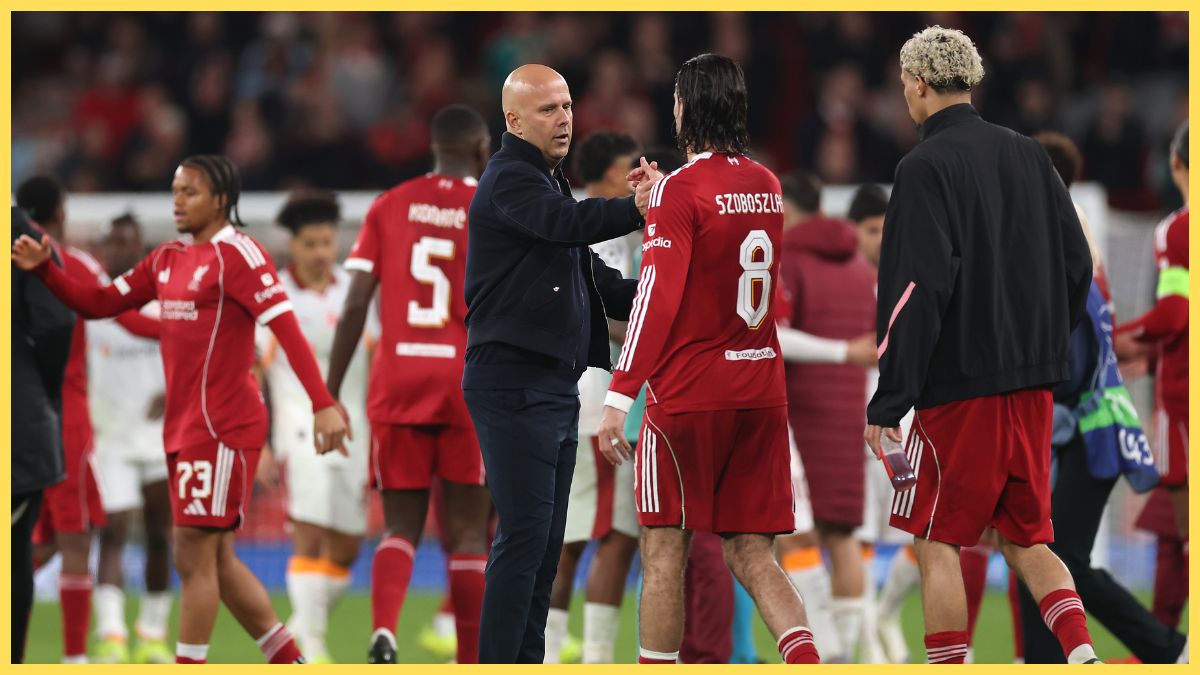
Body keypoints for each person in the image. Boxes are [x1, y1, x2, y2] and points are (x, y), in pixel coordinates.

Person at [12, 154, 349, 665]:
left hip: (223, 424)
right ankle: (292, 661)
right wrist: (46, 273)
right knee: (219, 558)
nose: (177, 201)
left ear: (220, 198)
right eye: (175, 191)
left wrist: (323, 404)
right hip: (185, 428)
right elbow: (100, 301)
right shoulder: (167, 258)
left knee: (191, 552)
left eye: (188, 192)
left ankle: (187, 664)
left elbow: (285, 328)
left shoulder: (239, 254)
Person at [862, 26, 1097, 664]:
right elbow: (1078, 264)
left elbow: (917, 289)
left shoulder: (922, 167)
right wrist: (1046, 344)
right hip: (1032, 387)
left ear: (917, 84)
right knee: (1027, 540)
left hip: (960, 390)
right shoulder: (1029, 154)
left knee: (937, 541)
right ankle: (1082, 656)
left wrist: (892, 398)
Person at [596, 53, 819, 665]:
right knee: (752, 553)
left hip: (691, 395)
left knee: (664, 546)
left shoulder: (681, 189)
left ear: (686, 107)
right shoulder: (769, 185)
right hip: (761, 390)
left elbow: (655, 298)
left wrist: (619, 397)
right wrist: (658, 203)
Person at [463, 64, 648, 664]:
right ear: (513, 120)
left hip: (549, 383)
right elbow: (569, 227)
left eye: (567, 105)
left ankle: (525, 660)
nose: (564, 117)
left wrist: (672, 291)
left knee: (542, 544)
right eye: (548, 109)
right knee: (524, 540)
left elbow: (600, 281)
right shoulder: (510, 180)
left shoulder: (546, 185)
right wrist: (639, 207)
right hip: (513, 382)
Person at [1013, 130, 1188, 664]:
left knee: (1057, 555)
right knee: (1036, 548)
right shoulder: (1072, 242)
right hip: (1081, 425)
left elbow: (1082, 357)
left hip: (1091, 427)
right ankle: (1044, 658)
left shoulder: (1067, 250)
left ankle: (1167, 647)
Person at [328, 104, 493, 665]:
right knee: (469, 532)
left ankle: (384, 631)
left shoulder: (389, 204)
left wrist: (328, 393)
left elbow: (354, 302)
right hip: (466, 381)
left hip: (398, 375)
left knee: (399, 524)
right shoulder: (489, 207)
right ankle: (470, 658)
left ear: (433, 148)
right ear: (478, 150)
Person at [15, 176, 159, 664]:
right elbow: (127, 317)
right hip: (60, 418)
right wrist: (189, 325)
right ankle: (76, 661)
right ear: (59, 214)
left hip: (17, 417)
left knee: (41, 540)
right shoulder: (70, 261)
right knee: (77, 539)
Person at [260, 191, 371, 663]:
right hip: (298, 426)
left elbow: (375, 360)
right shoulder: (275, 297)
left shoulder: (355, 291)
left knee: (347, 546)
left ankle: (301, 624)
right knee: (307, 529)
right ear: (294, 246)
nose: (322, 252)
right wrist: (264, 441)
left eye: (328, 241)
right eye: (311, 243)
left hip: (355, 430)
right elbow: (257, 373)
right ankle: (316, 649)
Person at [546, 129, 643, 665]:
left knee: (569, 538)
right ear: (609, 175)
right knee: (614, 537)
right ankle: (597, 658)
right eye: (629, 166)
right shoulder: (608, 232)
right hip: (603, 404)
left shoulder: (570, 222)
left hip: (572, 397)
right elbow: (606, 311)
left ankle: (550, 651)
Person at [775, 170, 877, 662]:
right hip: (851, 415)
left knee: (795, 533)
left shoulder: (787, 259)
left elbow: (774, 334)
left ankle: (827, 647)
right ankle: (847, 657)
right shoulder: (859, 265)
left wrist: (839, 353)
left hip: (800, 416)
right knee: (843, 539)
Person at [88, 214, 173, 664]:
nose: (118, 249)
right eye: (112, 241)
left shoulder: (162, 305)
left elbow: (190, 360)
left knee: (161, 533)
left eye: (127, 242)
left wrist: (170, 391)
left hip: (159, 439)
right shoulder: (92, 307)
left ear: (141, 250)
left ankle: (153, 633)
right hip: (112, 441)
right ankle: (113, 634)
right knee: (114, 530)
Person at [1114, 121, 1189, 563]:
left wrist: (1120, 336)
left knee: (1186, 537)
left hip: (1184, 400)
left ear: (1174, 163)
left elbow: (1174, 314)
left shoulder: (1177, 231)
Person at [11, 206, 76, 664]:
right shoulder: (19, 230)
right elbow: (58, 320)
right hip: (19, 428)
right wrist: (41, 389)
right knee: (14, 556)